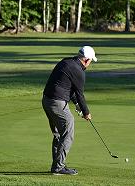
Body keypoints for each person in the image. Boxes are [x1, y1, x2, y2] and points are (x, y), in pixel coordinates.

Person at [42, 46, 97, 175]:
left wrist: (77, 105)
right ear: (86, 60)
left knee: (59, 134)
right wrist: (86, 112)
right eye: (90, 61)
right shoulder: (78, 71)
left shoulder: (66, 62)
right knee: (68, 133)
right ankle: (59, 167)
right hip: (57, 103)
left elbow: (68, 88)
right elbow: (80, 94)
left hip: (47, 100)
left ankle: (56, 166)